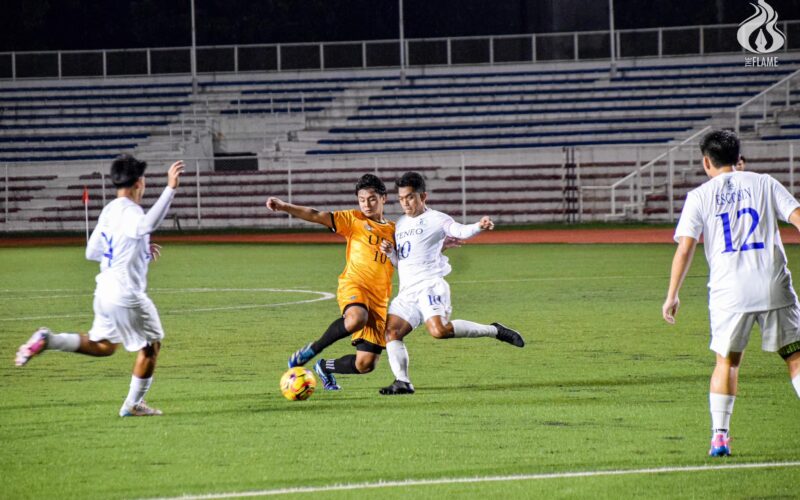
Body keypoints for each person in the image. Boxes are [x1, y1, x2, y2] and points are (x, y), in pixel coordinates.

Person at [662, 129, 800, 457]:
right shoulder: (764, 182)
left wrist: (672, 294)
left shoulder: (699, 196)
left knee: (727, 362)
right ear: (738, 159)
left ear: (706, 162)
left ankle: (720, 437)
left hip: (729, 293)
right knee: (795, 357)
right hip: (772, 283)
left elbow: (685, 249)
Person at [15, 154, 185, 417]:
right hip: (125, 293)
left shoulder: (109, 210)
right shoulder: (132, 211)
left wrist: (138, 249)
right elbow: (147, 224)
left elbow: (92, 251)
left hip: (104, 290)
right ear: (140, 182)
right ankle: (133, 404)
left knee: (104, 346)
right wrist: (170, 188)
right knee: (151, 346)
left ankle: (49, 340)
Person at [378, 171, 525, 395]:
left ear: (423, 196)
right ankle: (402, 381)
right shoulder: (400, 224)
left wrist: (478, 226)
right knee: (391, 333)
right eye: (401, 198)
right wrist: (390, 254)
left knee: (439, 331)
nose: (405, 203)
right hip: (408, 292)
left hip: (430, 286)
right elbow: (403, 263)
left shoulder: (437, 219)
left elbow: (460, 231)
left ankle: (494, 330)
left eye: (410, 197)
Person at [266, 174, 395, 390]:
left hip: (379, 298)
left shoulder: (395, 230)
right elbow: (316, 215)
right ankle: (314, 349)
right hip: (354, 285)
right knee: (356, 318)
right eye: (362, 199)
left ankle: (324, 367)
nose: (366, 204)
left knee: (365, 364)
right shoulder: (353, 220)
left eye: (372, 199)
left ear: (384, 198)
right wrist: (284, 205)